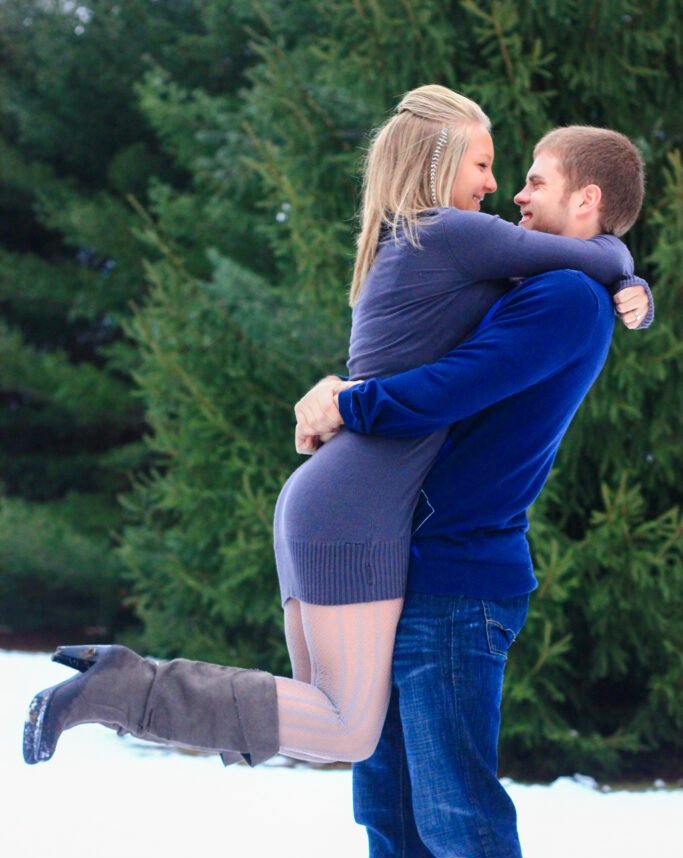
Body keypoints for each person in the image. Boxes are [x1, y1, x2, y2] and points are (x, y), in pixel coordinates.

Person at [22, 88, 649, 779]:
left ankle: (125, 690)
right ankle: (123, 688)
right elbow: (591, 260)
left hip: (326, 498)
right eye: (483, 163)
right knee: (345, 729)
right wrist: (631, 285)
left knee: (318, 722)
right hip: (357, 505)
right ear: (440, 163)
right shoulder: (450, 232)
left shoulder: (402, 237)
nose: (496, 186)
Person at [273, 126, 651, 858]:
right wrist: (627, 274)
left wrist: (346, 404)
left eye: (535, 180)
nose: (517, 196)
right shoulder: (551, 279)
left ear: (586, 202)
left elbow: (452, 385)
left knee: (458, 816)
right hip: (416, 564)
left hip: (461, 577)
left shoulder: (561, 297)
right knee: (393, 808)